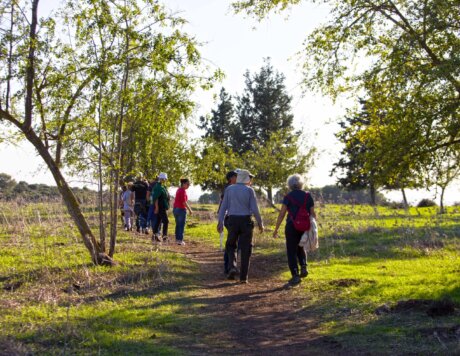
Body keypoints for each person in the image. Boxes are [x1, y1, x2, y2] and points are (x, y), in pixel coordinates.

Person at [217, 169, 264, 284]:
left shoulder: (229, 189)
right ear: (246, 178)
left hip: (232, 221)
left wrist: (220, 222)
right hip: (246, 221)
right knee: (246, 248)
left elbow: (223, 207)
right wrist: (260, 223)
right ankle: (244, 277)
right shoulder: (249, 190)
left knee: (231, 245)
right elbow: (255, 209)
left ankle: (232, 266)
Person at [273, 174, 316, 285]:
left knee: (291, 250)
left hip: (291, 226)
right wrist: (313, 227)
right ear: (301, 183)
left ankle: (295, 275)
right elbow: (313, 214)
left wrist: (276, 228)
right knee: (301, 247)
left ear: (289, 184)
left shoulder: (288, 197)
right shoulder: (308, 196)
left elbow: (282, 214)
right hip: (305, 226)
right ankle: (304, 267)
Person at [218, 170, 238, 275]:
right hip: (228, 218)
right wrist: (221, 220)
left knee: (232, 241)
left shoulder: (232, 188)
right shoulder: (228, 189)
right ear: (231, 178)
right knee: (232, 242)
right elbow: (223, 205)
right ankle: (228, 267)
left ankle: (229, 266)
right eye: (236, 176)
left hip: (231, 218)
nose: (237, 178)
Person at [173, 178, 193, 245]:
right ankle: (180, 240)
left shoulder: (178, 190)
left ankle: (177, 239)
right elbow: (184, 202)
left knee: (178, 225)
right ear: (183, 184)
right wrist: (190, 210)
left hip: (175, 209)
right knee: (181, 225)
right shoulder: (183, 191)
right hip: (181, 209)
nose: (188, 186)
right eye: (187, 184)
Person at [151, 172, 170, 242]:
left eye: (165, 179)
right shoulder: (158, 187)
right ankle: (164, 236)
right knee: (166, 221)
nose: (164, 180)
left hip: (163, 206)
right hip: (160, 206)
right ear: (160, 179)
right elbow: (156, 198)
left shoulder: (163, 186)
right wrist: (156, 207)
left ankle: (154, 235)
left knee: (158, 221)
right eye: (163, 179)